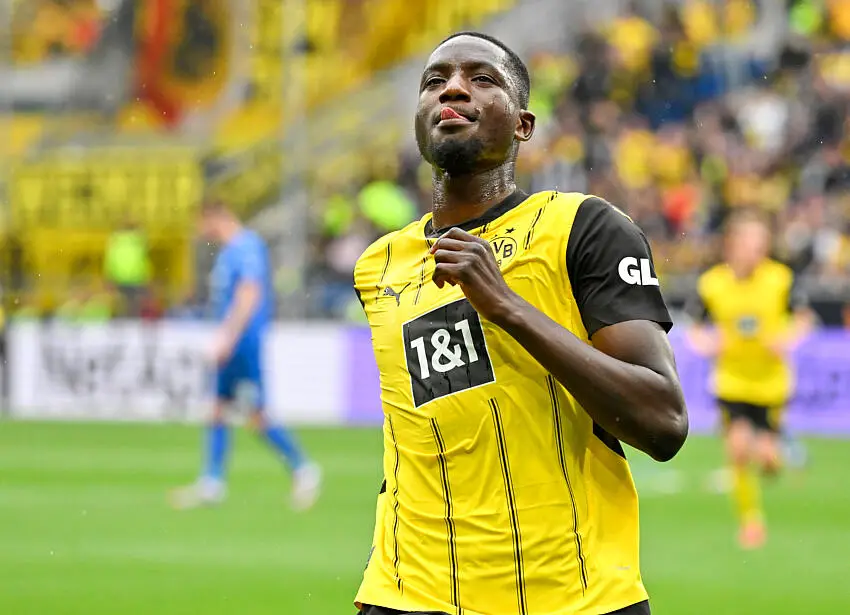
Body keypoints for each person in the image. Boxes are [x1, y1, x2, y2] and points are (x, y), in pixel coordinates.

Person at [353, 32, 688, 615]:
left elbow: (663, 422)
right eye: (435, 82)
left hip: (570, 597)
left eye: (482, 79)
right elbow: (417, 431)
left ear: (523, 125)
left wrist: (506, 307)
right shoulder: (378, 266)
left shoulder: (583, 229)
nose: (452, 89)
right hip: (406, 596)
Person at [170, 201, 321, 511]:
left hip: (243, 344)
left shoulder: (247, 247)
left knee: (256, 415)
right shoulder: (229, 252)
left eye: (202, 223)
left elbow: (249, 294)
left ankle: (303, 468)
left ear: (216, 217)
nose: (201, 232)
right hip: (233, 341)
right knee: (216, 409)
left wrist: (227, 336)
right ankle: (212, 483)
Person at [686, 209, 813, 549]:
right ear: (732, 244)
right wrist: (707, 343)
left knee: (768, 460)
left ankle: (777, 453)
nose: (757, 252)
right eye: (751, 244)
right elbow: (694, 328)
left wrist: (786, 338)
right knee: (738, 449)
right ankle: (751, 521)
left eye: (761, 244)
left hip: (771, 383)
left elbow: (804, 320)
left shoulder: (781, 279)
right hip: (731, 381)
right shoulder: (712, 284)